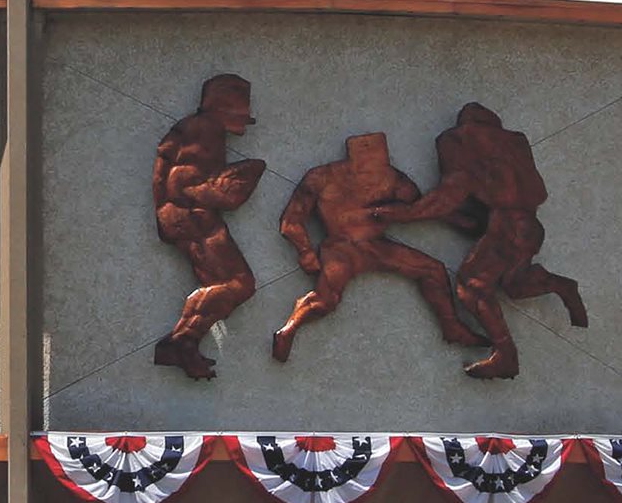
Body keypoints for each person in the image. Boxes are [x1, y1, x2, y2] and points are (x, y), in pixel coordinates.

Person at [371, 102, 587, 379]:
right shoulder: (511, 155)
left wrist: (404, 214)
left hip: (507, 226)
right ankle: (561, 285)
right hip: (530, 227)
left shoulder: (470, 147)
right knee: (514, 285)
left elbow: (447, 196)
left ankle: (506, 356)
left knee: (471, 288)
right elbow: (478, 205)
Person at [270, 132, 484, 362]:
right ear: (353, 159)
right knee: (326, 298)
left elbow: (422, 207)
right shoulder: (321, 177)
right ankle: (289, 330)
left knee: (433, 270)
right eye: (367, 165)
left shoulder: (392, 178)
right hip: (340, 248)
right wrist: (305, 252)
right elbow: (290, 222)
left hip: (376, 246)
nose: (372, 174)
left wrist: (460, 221)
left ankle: (451, 325)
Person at [152, 74, 265, 381]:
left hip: (184, 217)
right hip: (192, 217)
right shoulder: (206, 130)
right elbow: (183, 184)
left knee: (220, 284)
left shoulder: (192, 128)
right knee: (239, 282)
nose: (244, 122)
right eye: (241, 114)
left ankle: (183, 342)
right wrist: (226, 192)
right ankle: (180, 341)